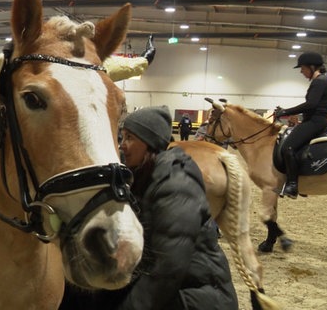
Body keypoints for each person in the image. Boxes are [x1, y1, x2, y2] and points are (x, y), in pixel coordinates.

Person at [60, 106, 238, 310]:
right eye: (122, 137)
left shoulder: (176, 183)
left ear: (149, 143)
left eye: (129, 138)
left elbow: (169, 267)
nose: (122, 145)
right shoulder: (141, 176)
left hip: (197, 296)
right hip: (168, 284)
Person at [274, 51, 327, 199]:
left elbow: (311, 104)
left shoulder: (319, 81)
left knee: (288, 147)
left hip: (315, 121)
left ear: (312, 67)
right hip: (314, 120)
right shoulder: (320, 81)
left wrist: (286, 111)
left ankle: (292, 185)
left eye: (303, 68)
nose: (301, 71)